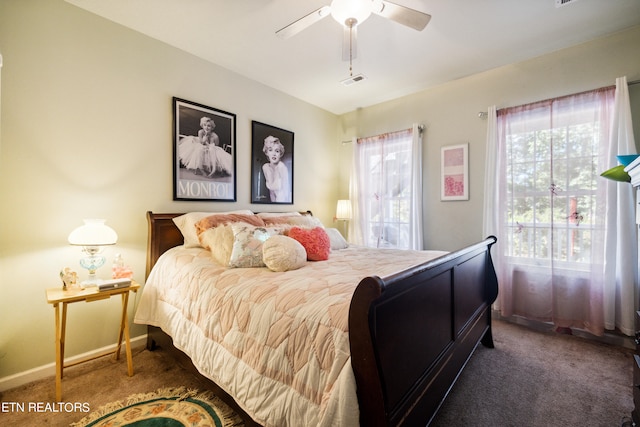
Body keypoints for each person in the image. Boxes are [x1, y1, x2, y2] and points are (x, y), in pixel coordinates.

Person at [262, 135, 291, 202]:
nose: (274, 154)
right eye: (270, 150)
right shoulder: (265, 167)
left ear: (280, 154)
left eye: (277, 151)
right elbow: (271, 192)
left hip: (284, 201)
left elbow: (286, 192)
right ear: (267, 152)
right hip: (275, 203)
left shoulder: (282, 167)